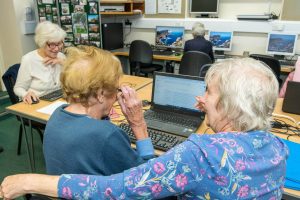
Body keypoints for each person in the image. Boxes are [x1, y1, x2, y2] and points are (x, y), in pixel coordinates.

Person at [1, 58, 289, 199]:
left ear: (230, 105)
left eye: (209, 93)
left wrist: (30, 181)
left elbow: (118, 188)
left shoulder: (200, 154)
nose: (201, 99)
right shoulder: (277, 147)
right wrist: (139, 125)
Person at [43, 45, 154, 175]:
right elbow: (146, 178)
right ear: (100, 94)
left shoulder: (58, 113)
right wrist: (138, 124)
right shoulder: (107, 135)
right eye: (115, 89)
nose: (116, 97)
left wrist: (102, 114)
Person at [14, 21, 66, 104]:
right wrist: (26, 94)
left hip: (59, 100)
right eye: (52, 44)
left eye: (59, 43)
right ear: (42, 43)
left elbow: (73, 80)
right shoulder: (29, 59)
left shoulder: (61, 56)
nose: (56, 49)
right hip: (39, 103)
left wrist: (63, 63)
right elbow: (18, 88)